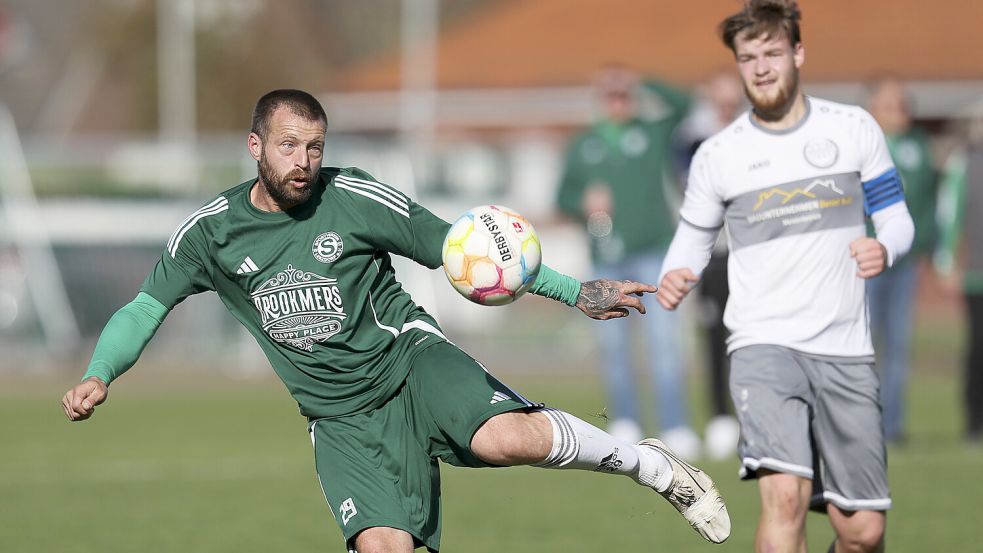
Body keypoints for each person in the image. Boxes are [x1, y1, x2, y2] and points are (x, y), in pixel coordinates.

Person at [61, 89, 730, 552]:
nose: (304, 162)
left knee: (507, 439)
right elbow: (146, 304)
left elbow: (464, 250)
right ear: (254, 145)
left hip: (410, 364)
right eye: (289, 146)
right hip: (339, 418)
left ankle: (650, 466)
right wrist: (100, 373)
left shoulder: (351, 196)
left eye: (315, 147)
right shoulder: (210, 233)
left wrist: (572, 289)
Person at [656, 2, 914, 552]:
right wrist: (677, 272)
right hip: (762, 344)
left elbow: (897, 218)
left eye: (772, 53)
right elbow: (692, 236)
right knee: (785, 498)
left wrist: (885, 247)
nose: (761, 67)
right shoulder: (718, 154)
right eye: (748, 58)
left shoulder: (853, 128)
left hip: (845, 347)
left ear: (798, 52)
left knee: (862, 531)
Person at [555, 64, 699, 456]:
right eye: (610, 94)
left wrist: (643, 78)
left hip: (652, 250)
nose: (617, 101)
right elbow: (562, 197)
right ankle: (627, 422)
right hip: (606, 257)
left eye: (623, 94)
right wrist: (581, 202)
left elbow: (685, 105)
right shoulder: (584, 144)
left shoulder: (650, 133)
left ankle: (675, 424)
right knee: (614, 344)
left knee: (664, 343)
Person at [866, 78, 940, 445]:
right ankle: (862, 425)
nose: (898, 110)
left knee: (898, 346)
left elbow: (927, 203)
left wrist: (924, 246)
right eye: (889, 102)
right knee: (863, 348)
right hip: (866, 263)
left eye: (902, 102)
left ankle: (892, 427)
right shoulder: (859, 146)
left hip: (905, 264)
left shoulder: (919, 147)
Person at [677, 70, 746, 460]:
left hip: (751, 254)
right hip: (713, 255)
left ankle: (752, 416)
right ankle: (721, 418)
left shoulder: (756, 132)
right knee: (714, 337)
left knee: (751, 336)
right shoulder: (693, 137)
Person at [936, 126, 983, 445]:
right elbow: (949, 213)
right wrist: (947, 262)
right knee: (978, 350)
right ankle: (975, 421)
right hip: (976, 274)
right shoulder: (966, 161)